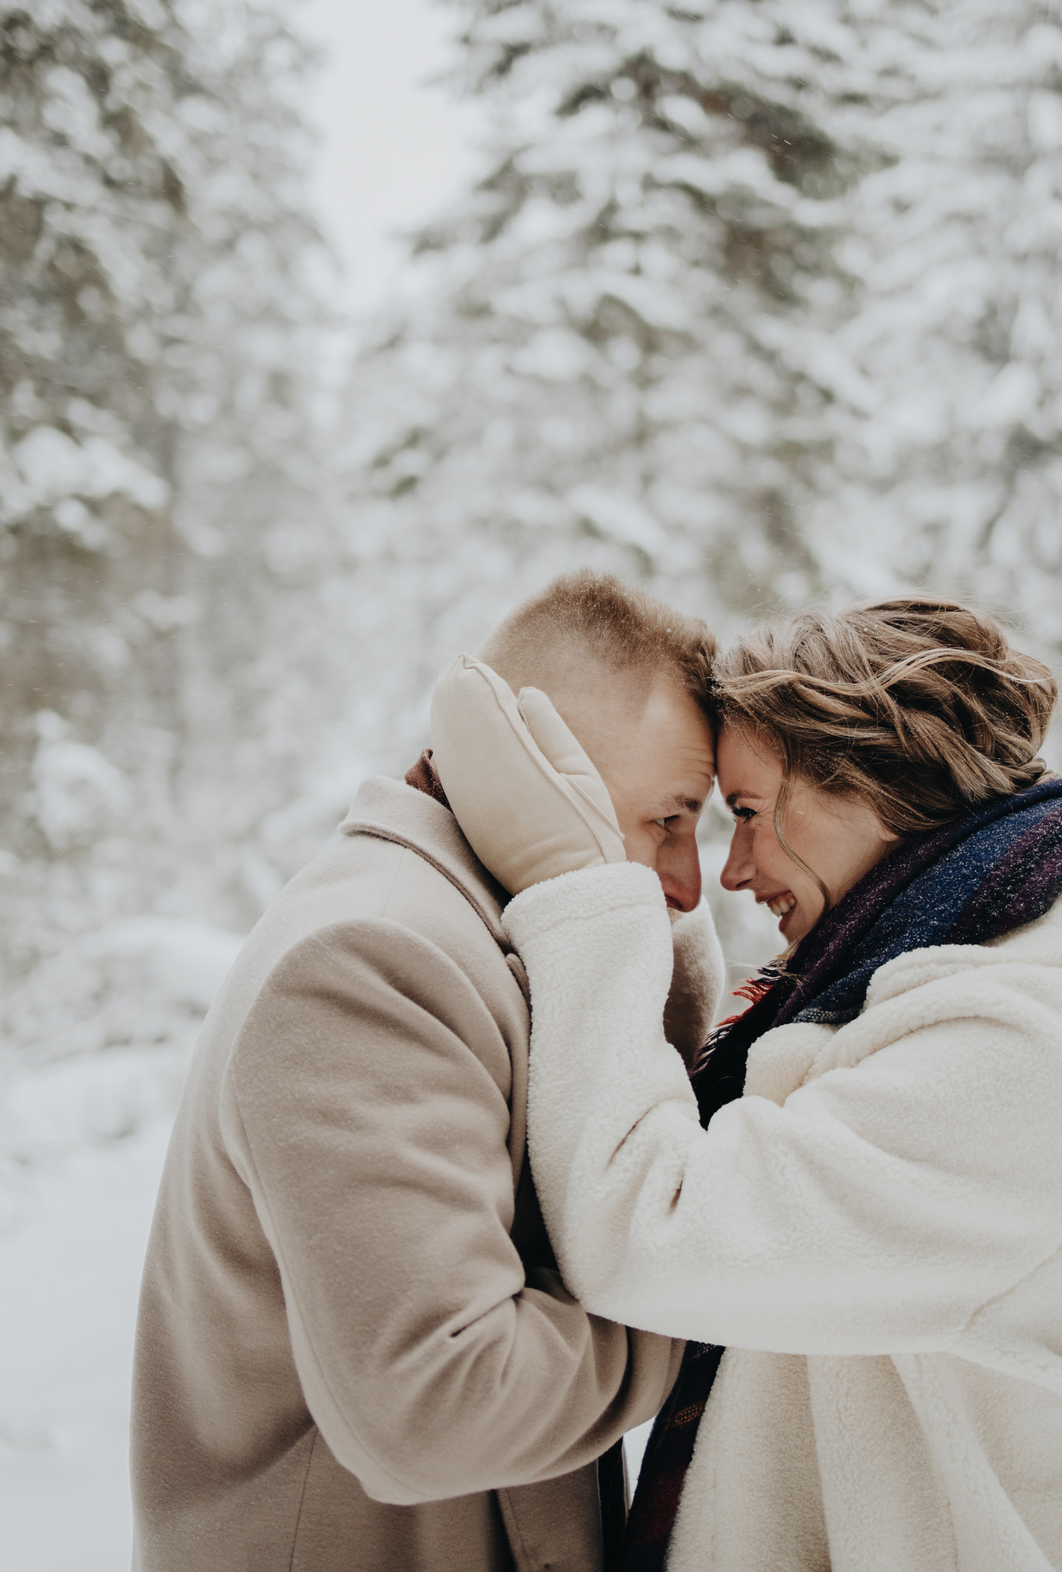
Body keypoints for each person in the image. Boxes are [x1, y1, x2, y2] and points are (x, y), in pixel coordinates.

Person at [495, 596, 1062, 1571]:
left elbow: (653, 1226)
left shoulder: (1023, 1053)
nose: (735, 870)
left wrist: (579, 885)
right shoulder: (906, 991)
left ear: (865, 783)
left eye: (746, 813)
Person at [130, 571, 735, 1571]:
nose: (685, 880)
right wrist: (704, 1297)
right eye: (669, 817)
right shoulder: (373, 962)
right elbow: (437, 1405)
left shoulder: (465, 930)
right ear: (550, 770)